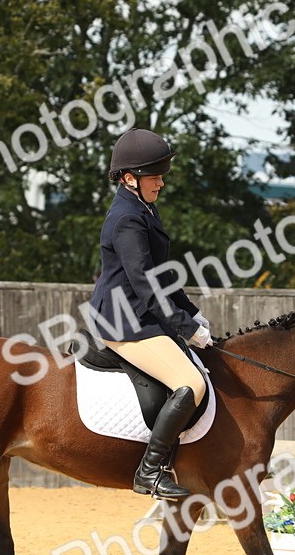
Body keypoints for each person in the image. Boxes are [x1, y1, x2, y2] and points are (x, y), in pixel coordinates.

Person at [87, 128, 213, 500]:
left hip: (140, 314)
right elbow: (145, 282)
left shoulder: (142, 207)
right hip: (124, 321)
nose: (160, 182)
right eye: (154, 176)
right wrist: (185, 327)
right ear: (130, 178)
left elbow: (161, 274)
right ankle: (150, 471)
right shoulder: (127, 218)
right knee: (192, 384)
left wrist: (193, 312)